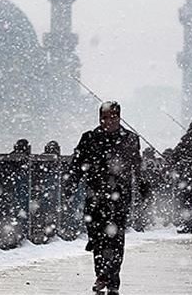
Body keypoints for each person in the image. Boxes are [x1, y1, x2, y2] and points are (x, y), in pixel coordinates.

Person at [65, 101, 148, 295]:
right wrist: (70, 185)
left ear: (118, 117)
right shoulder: (89, 138)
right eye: (103, 117)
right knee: (97, 235)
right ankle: (103, 271)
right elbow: (77, 165)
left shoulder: (130, 139)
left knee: (115, 239)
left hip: (119, 197)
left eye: (111, 117)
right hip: (95, 195)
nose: (107, 121)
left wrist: (142, 185)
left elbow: (137, 165)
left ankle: (110, 279)